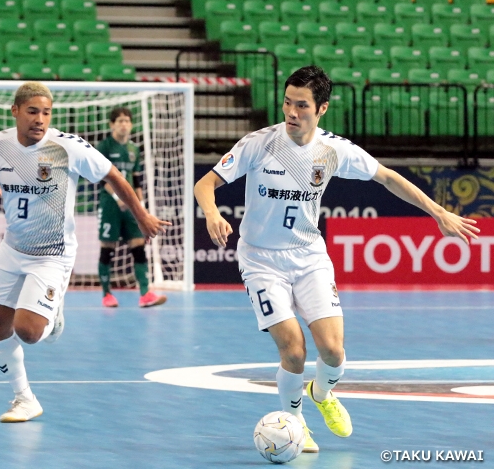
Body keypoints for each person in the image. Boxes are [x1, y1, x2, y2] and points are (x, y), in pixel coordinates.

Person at [194, 66, 479, 453]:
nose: (291, 112)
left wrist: (438, 212)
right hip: (261, 260)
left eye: (302, 106)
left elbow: (388, 177)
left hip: (309, 256)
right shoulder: (259, 144)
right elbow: (205, 183)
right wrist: (212, 212)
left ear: (322, 108)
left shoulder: (333, 150)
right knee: (293, 349)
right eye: (287, 103)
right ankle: (295, 421)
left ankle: (322, 392)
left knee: (333, 351)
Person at [0, 82, 170, 422]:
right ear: (15, 111)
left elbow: (114, 176)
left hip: (53, 252)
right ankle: (24, 399)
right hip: (13, 247)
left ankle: (53, 313)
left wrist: (142, 214)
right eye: (32, 111)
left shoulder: (67, 147)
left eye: (46, 112)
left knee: (28, 332)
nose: (40, 119)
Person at [96, 107, 167, 308]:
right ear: (112, 125)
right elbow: (101, 178)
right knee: (107, 247)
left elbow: (137, 181)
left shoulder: (134, 150)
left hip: (130, 206)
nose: (124, 124)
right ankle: (106, 294)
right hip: (110, 204)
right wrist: (117, 195)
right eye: (120, 121)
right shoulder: (104, 147)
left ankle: (145, 294)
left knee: (138, 245)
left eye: (127, 121)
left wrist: (141, 207)